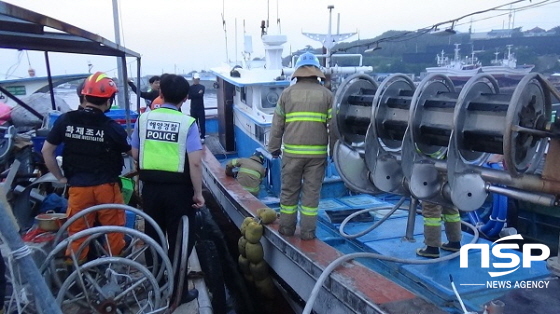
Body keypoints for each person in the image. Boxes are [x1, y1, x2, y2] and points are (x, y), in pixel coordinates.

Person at [131, 73, 204, 304]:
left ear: (160, 93)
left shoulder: (143, 119)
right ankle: (179, 292)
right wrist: (198, 193)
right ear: (185, 98)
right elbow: (195, 162)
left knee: (154, 237)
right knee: (181, 240)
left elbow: (134, 153)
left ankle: (157, 285)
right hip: (179, 192)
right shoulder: (188, 124)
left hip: (150, 189)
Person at [42, 72, 130, 263]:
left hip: (78, 188)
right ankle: (113, 271)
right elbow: (132, 153)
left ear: (83, 96)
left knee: (78, 232)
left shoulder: (65, 121)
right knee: (113, 231)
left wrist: (60, 178)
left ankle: (77, 276)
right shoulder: (111, 127)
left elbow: (46, 151)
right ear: (109, 100)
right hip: (106, 188)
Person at [268, 52, 333, 240]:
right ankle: (308, 233)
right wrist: (334, 150)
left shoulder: (286, 94)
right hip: (317, 155)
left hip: (292, 155)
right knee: (311, 196)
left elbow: (277, 124)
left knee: (289, 193)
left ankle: (286, 230)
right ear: (316, 72)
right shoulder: (327, 95)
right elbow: (334, 127)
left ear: (298, 72)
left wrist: (274, 148)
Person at [187, 73, 206, 143]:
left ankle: (203, 136)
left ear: (199, 80)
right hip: (193, 108)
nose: (196, 81)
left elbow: (200, 95)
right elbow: (189, 97)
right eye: (195, 79)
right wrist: (197, 94)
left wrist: (194, 95)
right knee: (194, 124)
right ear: (193, 79)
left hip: (200, 108)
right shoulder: (190, 88)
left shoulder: (202, 87)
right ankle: (195, 136)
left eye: (197, 79)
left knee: (202, 123)